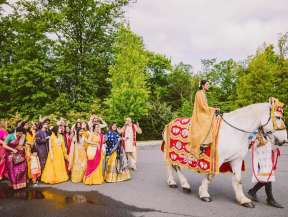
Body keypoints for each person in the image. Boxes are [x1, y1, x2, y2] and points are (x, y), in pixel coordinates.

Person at [247, 133, 283, 208]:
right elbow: (253, 145)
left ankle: (253, 191)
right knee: (267, 177)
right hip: (261, 159)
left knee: (267, 177)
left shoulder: (266, 132)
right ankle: (270, 199)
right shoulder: (256, 132)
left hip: (266, 158)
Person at [190, 80, 219, 157]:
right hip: (200, 113)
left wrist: (213, 109)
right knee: (207, 121)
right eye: (207, 84)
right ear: (202, 86)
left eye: (208, 84)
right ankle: (203, 143)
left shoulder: (203, 93)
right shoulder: (199, 93)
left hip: (204, 111)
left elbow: (205, 106)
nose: (208, 86)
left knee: (216, 117)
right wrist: (213, 109)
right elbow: (202, 107)